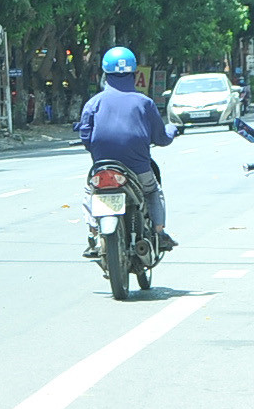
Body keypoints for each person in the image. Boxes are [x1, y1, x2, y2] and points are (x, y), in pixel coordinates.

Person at [75, 46, 179, 257]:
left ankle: (93, 234)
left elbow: (85, 136)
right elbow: (161, 138)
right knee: (152, 192)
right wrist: (172, 130)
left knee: (90, 192)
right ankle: (160, 233)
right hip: (138, 170)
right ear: (134, 74)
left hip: (102, 170)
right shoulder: (144, 103)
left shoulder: (93, 103)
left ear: (105, 74)